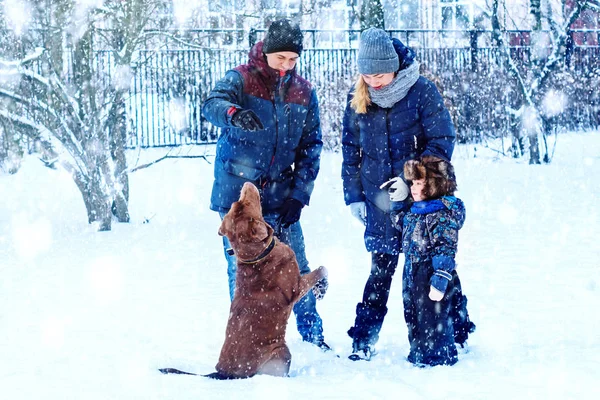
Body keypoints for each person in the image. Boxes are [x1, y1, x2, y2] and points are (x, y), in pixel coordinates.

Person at [202, 19, 330, 350]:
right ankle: (248, 341)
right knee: (243, 273)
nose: (287, 65)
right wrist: (233, 113)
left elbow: (311, 147)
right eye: (281, 58)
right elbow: (211, 104)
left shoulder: (303, 92)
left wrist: (299, 195)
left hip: (279, 196)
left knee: (296, 264)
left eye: (293, 59)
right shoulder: (241, 79)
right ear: (267, 52)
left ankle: (313, 337)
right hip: (238, 198)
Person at [341, 27, 465, 361]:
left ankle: (459, 328)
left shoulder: (421, 91)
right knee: (380, 272)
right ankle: (363, 339)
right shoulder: (359, 98)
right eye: (367, 75)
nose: (374, 81)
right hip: (379, 205)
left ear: (395, 66)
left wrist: (410, 179)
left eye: (379, 74)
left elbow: (441, 141)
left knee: (433, 270)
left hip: (421, 205)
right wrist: (353, 196)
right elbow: (351, 153)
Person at [391, 156, 469, 367]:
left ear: (435, 185)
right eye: (412, 183)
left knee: (433, 316)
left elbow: (445, 247)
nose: (413, 188)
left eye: (418, 183)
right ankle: (420, 350)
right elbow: (400, 222)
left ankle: (438, 356)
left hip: (430, 271)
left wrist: (441, 276)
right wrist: (398, 200)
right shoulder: (416, 210)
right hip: (412, 272)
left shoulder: (440, 214)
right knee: (414, 313)